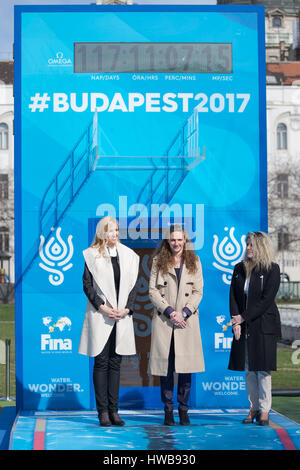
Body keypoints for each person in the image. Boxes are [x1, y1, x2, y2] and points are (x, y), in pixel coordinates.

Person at [78, 216, 139, 427]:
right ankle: (102, 411)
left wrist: (127, 309)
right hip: (101, 315)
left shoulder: (128, 255)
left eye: (116, 230)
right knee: (101, 361)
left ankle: (114, 411)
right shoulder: (91, 255)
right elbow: (87, 285)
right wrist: (102, 306)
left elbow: (133, 285)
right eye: (110, 230)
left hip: (121, 316)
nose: (114, 234)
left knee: (115, 363)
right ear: (102, 232)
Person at [148, 224, 205, 426]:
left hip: (186, 323)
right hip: (166, 321)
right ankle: (168, 411)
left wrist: (185, 312)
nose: (176, 243)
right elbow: (153, 291)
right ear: (167, 241)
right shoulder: (158, 261)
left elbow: (198, 291)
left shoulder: (194, 261)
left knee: (185, 368)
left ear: (185, 241)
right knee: (166, 369)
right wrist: (171, 312)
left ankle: (183, 410)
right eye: (173, 239)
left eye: (180, 239)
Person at [228, 231, 281, 426]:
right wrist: (236, 322)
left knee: (263, 369)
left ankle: (265, 409)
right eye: (247, 244)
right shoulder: (239, 268)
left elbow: (266, 300)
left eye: (251, 244)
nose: (248, 248)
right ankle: (253, 408)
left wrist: (243, 317)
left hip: (264, 325)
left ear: (261, 247)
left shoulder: (272, 269)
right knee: (249, 369)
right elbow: (233, 297)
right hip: (244, 324)